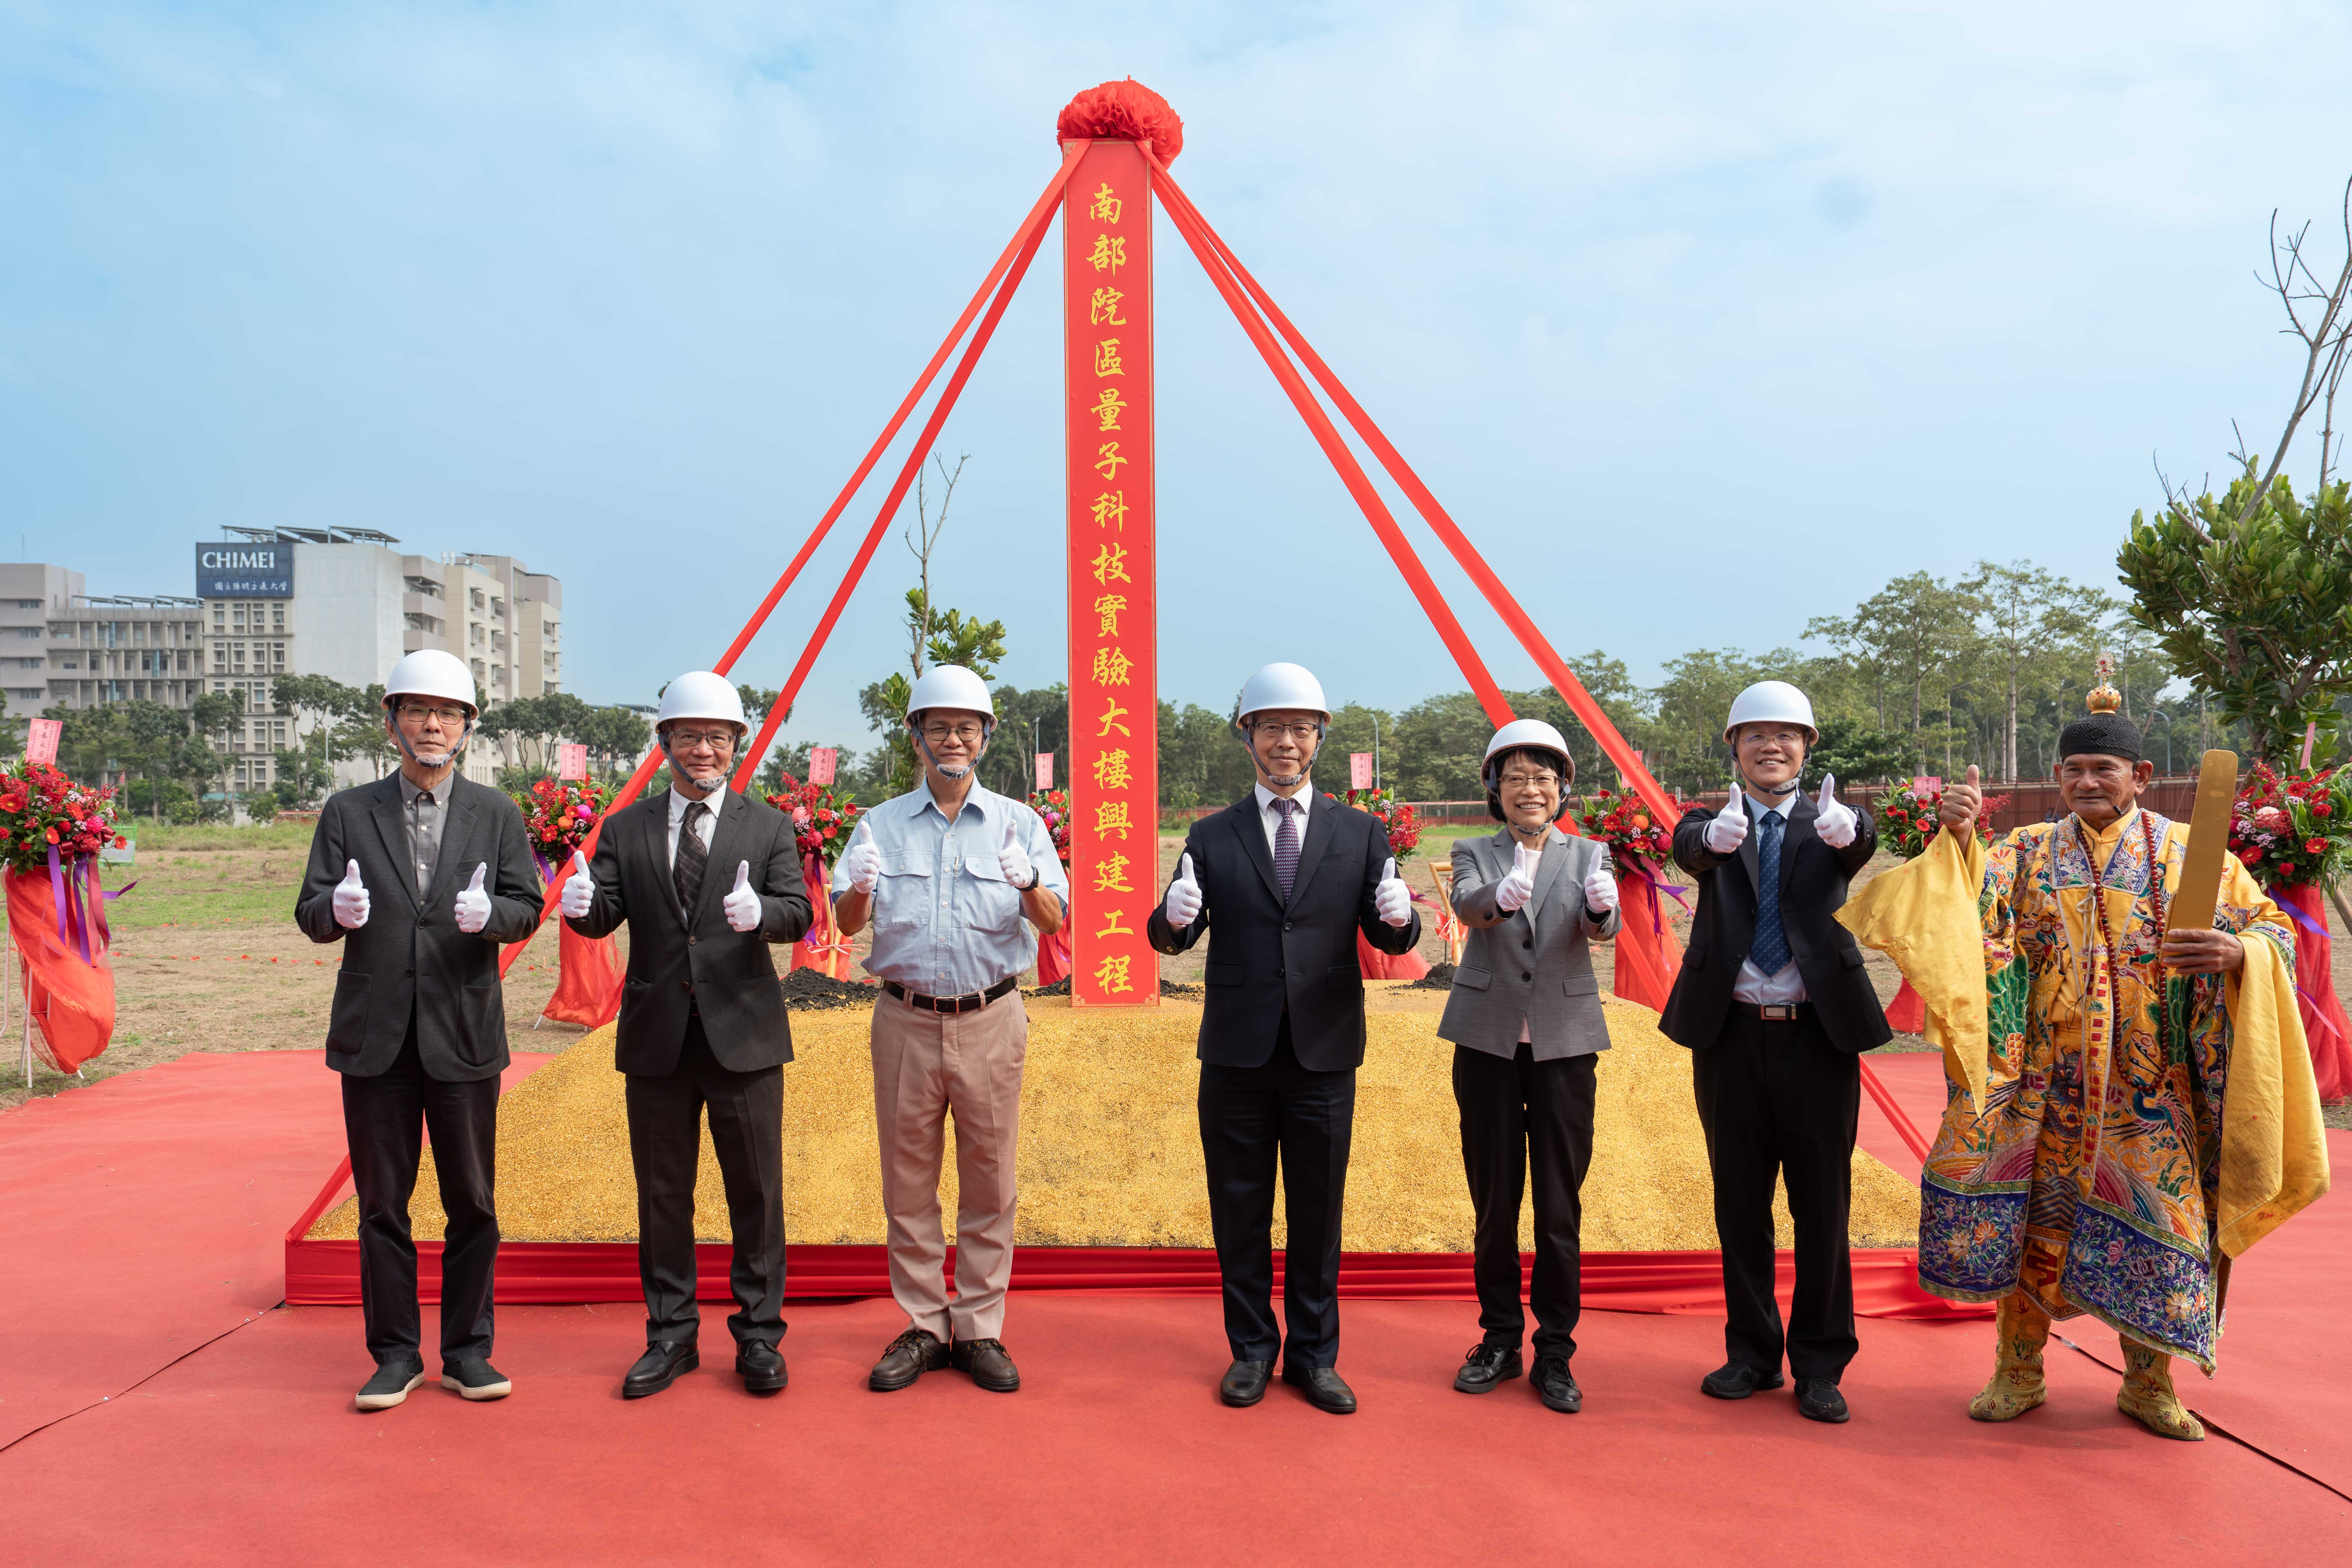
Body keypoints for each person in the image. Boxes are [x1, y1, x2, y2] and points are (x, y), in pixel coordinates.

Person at [1839, 682, 2326, 1439]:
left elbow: (2276, 930)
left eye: (2104, 768)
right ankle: (2018, 1370)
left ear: (2140, 774)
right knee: (2034, 1227)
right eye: (2074, 770)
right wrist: (1961, 845)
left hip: (2154, 1095)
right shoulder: (2026, 851)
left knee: (2165, 1231)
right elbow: (1966, 919)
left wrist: (2241, 952)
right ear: (2059, 778)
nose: (2087, 782)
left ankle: (2149, 1382)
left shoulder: (2194, 857)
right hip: (2041, 1086)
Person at [1146, 663, 1421, 1415]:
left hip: (1324, 1052)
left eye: (1301, 728)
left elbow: (1390, 935)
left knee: (1317, 1212)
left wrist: (1400, 915)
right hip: (1236, 1052)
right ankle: (1252, 1351)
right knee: (1240, 1209)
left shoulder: (1361, 834)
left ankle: (1313, 1356)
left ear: (1321, 738)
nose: (1287, 742)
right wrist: (1171, 916)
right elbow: (1172, 936)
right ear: (1249, 739)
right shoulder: (1211, 835)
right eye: (1272, 727)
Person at [294, 649, 543, 1412]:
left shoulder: (496, 813)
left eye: (449, 714)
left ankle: (469, 1352)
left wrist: (492, 919)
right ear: (392, 718)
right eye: (417, 710)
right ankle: (395, 1354)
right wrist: (336, 912)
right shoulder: (349, 812)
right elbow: (310, 913)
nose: (432, 725)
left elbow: (527, 905)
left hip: (463, 1032)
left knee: (472, 1200)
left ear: (469, 728)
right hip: (376, 1038)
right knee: (382, 1204)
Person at [560, 672, 813, 1398]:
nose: (705, 749)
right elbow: (602, 908)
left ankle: (759, 1337)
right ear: (665, 741)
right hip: (658, 1036)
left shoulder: (765, 828)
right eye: (690, 735)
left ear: (738, 744)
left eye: (719, 737)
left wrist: (759, 913)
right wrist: (581, 907)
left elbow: (798, 913)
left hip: (745, 1035)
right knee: (663, 1194)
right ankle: (670, 1335)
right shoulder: (631, 825)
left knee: (757, 1194)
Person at [832, 666, 1068, 1395]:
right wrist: (862, 887)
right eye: (938, 727)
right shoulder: (880, 824)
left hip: (992, 1015)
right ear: (916, 737)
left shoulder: (1020, 825)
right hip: (904, 1016)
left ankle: (980, 1329)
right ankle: (925, 1325)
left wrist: (1030, 884)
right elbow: (844, 922)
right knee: (908, 1180)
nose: (954, 739)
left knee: (991, 1179)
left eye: (968, 727)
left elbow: (1059, 923)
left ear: (987, 738)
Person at [1659, 679, 1883, 1424]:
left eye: (1787, 735)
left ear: (1808, 748)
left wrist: (1850, 837)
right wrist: (1716, 843)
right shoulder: (1707, 820)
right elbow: (1691, 848)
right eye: (1755, 735)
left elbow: (1861, 847)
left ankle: (1821, 1363)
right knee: (1740, 1204)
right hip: (1730, 1038)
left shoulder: (1834, 822)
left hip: (1818, 1038)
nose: (1772, 746)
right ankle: (1752, 1354)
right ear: (1734, 747)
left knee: (1823, 1207)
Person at [1439, 719, 1620, 1414]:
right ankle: (1498, 1337)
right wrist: (1500, 895)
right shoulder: (1473, 850)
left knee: (1557, 1204)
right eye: (1515, 777)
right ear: (1494, 787)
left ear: (1562, 787)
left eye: (1543, 778)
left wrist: (1603, 914)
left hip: (1564, 1046)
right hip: (1485, 1044)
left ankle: (1555, 1352)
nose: (1530, 789)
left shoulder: (1588, 853)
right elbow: (1468, 905)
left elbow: (1603, 929)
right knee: (1493, 1201)